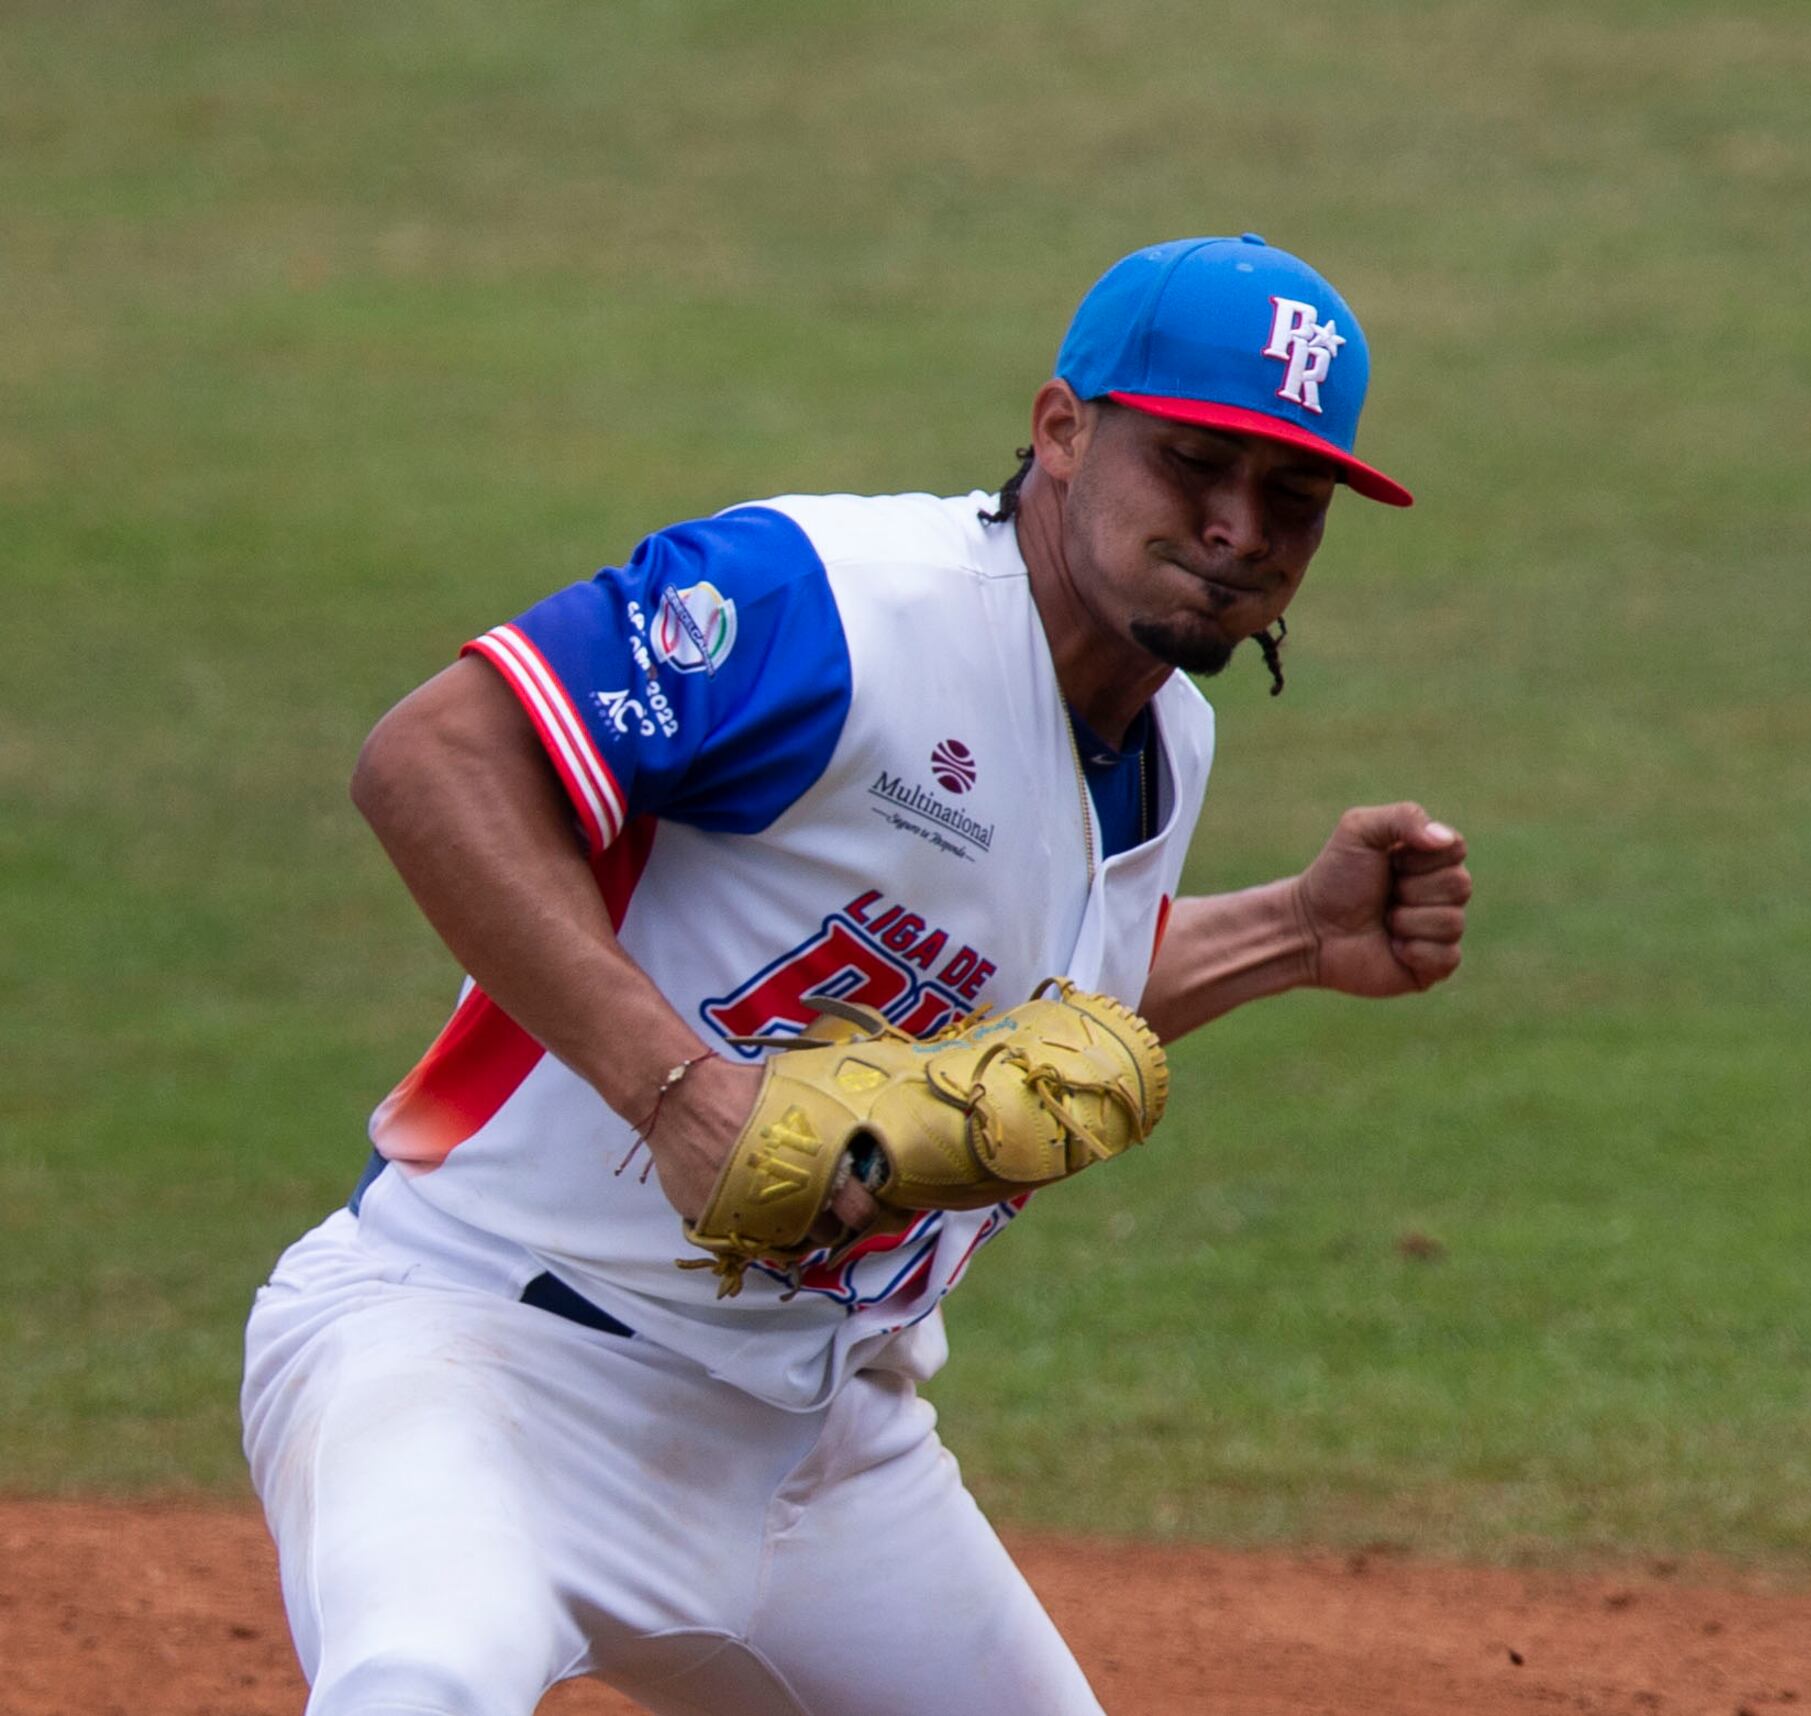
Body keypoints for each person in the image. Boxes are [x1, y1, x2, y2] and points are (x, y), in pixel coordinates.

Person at [240, 233, 1471, 1716]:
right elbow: (431, 760)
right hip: (479, 1351)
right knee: (420, 1684)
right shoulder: (827, 601)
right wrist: (677, 1091)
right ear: (1062, 432)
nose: (1239, 528)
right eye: (1196, 464)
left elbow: (1031, 1020)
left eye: (1293, 494)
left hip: (820, 1456)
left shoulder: (1167, 743)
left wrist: (1289, 936)